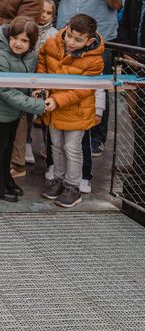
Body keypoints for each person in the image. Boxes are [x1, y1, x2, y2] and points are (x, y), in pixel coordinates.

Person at [50, 0, 127, 156]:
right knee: (65, 86)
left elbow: (117, 4)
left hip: (99, 41)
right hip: (67, 37)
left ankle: (97, 137)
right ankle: (65, 133)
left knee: (98, 90)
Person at [37, 14, 105, 208]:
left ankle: (72, 187)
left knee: (72, 148)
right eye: (69, 36)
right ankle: (57, 180)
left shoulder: (95, 61)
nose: (71, 42)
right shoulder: (52, 43)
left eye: (78, 40)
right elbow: (42, 60)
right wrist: (42, 84)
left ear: (90, 41)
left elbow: (83, 90)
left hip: (76, 110)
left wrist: (57, 100)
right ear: (66, 28)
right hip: (53, 106)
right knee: (56, 146)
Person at [0, 18, 48, 202]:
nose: (18, 43)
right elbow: (5, 91)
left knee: (8, 146)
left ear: (31, 43)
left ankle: (5, 179)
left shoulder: (31, 56)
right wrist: (37, 106)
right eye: (15, 38)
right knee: (0, 147)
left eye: (24, 40)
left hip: (15, 110)